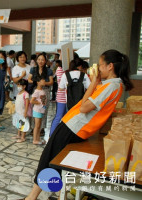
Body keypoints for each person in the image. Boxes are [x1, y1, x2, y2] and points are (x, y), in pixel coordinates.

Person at [23, 49, 133, 200]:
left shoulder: (111, 86)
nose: (98, 69)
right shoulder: (112, 85)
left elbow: (83, 107)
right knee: (55, 160)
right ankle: (53, 192)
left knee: (48, 159)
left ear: (110, 66)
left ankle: (32, 197)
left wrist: (93, 83)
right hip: (75, 126)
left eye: (100, 65)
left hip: (74, 126)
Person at [28, 53, 53, 134]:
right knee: (33, 109)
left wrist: (44, 83)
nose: (40, 61)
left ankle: (41, 128)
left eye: (42, 60)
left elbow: (51, 82)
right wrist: (37, 82)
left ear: (45, 61)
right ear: (36, 60)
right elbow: (29, 79)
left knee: (43, 109)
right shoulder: (33, 69)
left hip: (45, 91)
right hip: (35, 89)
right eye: (39, 59)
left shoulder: (49, 70)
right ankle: (33, 127)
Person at [49, 60, 67, 136]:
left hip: (66, 97)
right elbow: (62, 85)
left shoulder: (64, 70)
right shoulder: (60, 69)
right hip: (62, 97)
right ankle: (51, 135)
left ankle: (61, 135)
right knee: (59, 116)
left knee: (65, 117)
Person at [30, 77, 47, 145]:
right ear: (38, 82)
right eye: (43, 80)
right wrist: (38, 103)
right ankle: (35, 140)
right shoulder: (37, 91)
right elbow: (31, 101)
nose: (44, 81)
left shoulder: (42, 90)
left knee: (39, 125)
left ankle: (38, 138)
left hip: (41, 110)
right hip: (37, 110)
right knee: (36, 126)